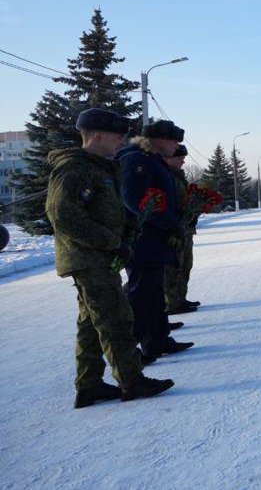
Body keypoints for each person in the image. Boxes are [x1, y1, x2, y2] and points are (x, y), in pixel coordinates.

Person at [47, 108, 174, 407]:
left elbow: (110, 207)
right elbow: (62, 215)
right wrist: (112, 243)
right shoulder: (74, 168)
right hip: (89, 258)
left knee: (92, 323)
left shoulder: (101, 166)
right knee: (116, 318)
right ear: (97, 135)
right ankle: (132, 381)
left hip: (99, 257)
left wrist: (129, 224)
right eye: (117, 136)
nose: (122, 140)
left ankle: (89, 385)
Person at [117, 120, 194, 361]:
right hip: (143, 238)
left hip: (153, 238)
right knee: (141, 293)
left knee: (154, 291)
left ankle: (158, 340)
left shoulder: (151, 159)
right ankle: (137, 349)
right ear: (160, 140)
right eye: (175, 141)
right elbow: (135, 199)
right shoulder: (138, 159)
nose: (177, 147)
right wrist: (169, 222)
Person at [162, 144, 199, 317]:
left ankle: (179, 298)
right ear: (167, 157)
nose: (183, 162)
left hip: (185, 228)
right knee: (172, 269)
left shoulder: (178, 176)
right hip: (173, 229)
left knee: (185, 265)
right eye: (180, 158)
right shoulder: (164, 176)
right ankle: (170, 302)